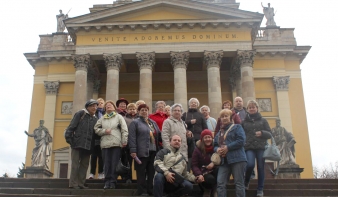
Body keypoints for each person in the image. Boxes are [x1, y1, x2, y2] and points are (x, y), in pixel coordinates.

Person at [128, 104, 162, 196]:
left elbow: (159, 135)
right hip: (141, 152)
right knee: (141, 172)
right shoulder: (135, 123)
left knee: (151, 172)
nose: (144, 112)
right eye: (142, 110)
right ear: (138, 112)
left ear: (148, 111)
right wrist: (133, 150)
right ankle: (141, 191)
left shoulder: (152, 123)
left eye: (146, 110)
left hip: (153, 151)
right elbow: (132, 138)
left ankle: (150, 190)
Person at [94, 100, 128, 189]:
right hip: (105, 144)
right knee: (107, 164)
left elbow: (124, 129)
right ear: (105, 108)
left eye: (110, 105)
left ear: (114, 107)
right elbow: (96, 129)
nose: (109, 106)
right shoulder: (102, 119)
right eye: (107, 105)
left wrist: (124, 140)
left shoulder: (119, 117)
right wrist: (104, 131)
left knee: (114, 164)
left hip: (116, 143)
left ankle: (113, 181)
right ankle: (107, 181)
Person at [65, 99, 98, 189]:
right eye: (92, 106)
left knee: (84, 165)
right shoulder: (81, 114)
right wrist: (69, 139)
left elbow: (95, 134)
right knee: (75, 164)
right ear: (87, 107)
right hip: (77, 143)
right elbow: (72, 126)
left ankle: (81, 183)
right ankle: (73, 183)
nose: (94, 108)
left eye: (95, 106)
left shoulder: (95, 119)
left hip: (88, 146)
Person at [242, 100, 271, 197]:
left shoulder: (263, 120)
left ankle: (260, 189)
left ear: (257, 108)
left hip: (260, 147)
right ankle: (246, 182)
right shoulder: (244, 122)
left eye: (253, 107)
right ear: (247, 109)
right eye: (250, 107)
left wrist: (262, 133)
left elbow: (270, 134)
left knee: (260, 167)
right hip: (249, 147)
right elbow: (241, 134)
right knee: (249, 165)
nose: (252, 109)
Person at [214, 109, 247, 197]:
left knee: (239, 184)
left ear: (230, 117)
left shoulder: (237, 127)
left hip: (238, 159)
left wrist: (228, 147)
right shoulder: (219, 133)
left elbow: (241, 141)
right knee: (220, 183)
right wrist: (217, 149)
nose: (224, 118)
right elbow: (215, 145)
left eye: (226, 116)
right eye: (222, 116)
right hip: (224, 161)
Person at [182, 98, 208, 169]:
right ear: (189, 104)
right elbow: (181, 124)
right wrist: (190, 122)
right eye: (192, 103)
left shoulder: (200, 115)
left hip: (198, 139)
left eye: (195, 103)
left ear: (197, 105)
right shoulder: (185, 114)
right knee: (189, 156)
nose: (193, 104)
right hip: (188, 139)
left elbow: (205, 127)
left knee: (198, 156)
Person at [192, 129, 218, 197]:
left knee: (220, 171)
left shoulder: (215, 148)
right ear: (202, 139)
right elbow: (194, 165)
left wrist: (213, 163)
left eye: (209, 137)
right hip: (204, 172)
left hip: (214, 170)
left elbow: (219, 159)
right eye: (205, 137)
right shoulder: (197, 150)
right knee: (210, 179)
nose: (207, 139)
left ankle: (215, 190)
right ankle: (207, 190)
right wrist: (199, 174)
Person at [122, 103, 139, 184]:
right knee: (128, 162)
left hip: (138, 144)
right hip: (128, 144)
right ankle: (128, 178)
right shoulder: (124, 119)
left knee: (138, 162)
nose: (132, 110)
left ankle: (139, 178)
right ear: (127, 110)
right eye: (130, 109)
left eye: (134, 109)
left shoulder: (140, 119)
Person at [89, 98, 105, 179]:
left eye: (102, 103)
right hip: (94, 138)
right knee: (94, 156)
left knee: (102, 157)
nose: (100, 104)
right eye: (98, 103)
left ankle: (101, 173)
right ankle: (92, 173)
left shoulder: (105, 113)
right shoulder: (92, 113)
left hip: (103, 137)